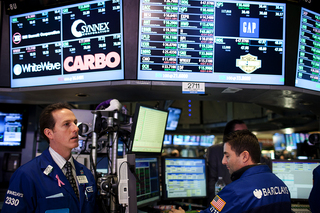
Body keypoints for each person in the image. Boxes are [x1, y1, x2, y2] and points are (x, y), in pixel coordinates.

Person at [1, 103, 97, 213]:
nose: (76, 128)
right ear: (49, 133)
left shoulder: (86, 173)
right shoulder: (27, 175)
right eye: (66, 124)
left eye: (75, 123)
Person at [170, 130, 291, 213]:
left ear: (244, 156)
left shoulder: (234, 191)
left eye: (227, 156)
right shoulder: (281, 186)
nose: (223, 161)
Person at [206, 119, 248, 203]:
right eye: (240, 134)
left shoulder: (249, 153)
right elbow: (212, 188)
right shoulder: (215, 151)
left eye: (246, 133)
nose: (224, 161)